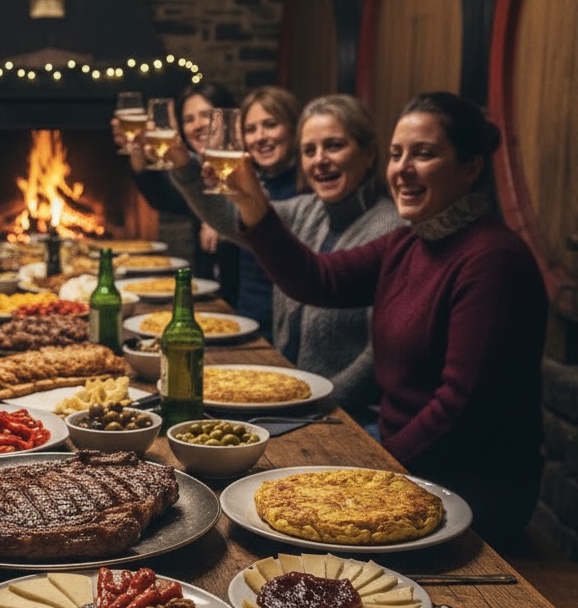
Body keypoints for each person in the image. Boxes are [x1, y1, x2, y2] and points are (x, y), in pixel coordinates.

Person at [223, 91, 547, 541]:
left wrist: (374, 470)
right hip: (400, 457)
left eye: (425, 154)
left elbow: (460, 408)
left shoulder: (492, 259)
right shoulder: (410, 241)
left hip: (469, 484)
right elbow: (317, 280)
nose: (403, 169)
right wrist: (252, 204)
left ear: (470, 169)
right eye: (397, 154)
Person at [170, 94, 402, 424]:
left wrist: (317, 400)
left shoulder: (391, 228)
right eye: (309, 151)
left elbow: (381, 353)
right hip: (292, 396)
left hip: (346, 415)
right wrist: (184, 164)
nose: (320, 160)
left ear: (368, 154)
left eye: (334, 146)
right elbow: (233, 218)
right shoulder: (308, 210)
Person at [112, 81, 240, 306]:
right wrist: (136, 147)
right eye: (189, 119)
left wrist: (220, 218)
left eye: (205, 115)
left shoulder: (248, 165)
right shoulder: (195, 172)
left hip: (246, 303)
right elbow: (160, 196)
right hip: (211, 301)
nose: (197, 125)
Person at [227, 86, 300, 339]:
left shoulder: (308, 188)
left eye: (270, 124)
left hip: (283, 329)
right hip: (248, 318)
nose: (260, 137)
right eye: (250, 129)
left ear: (293, 128)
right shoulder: (256, 181)